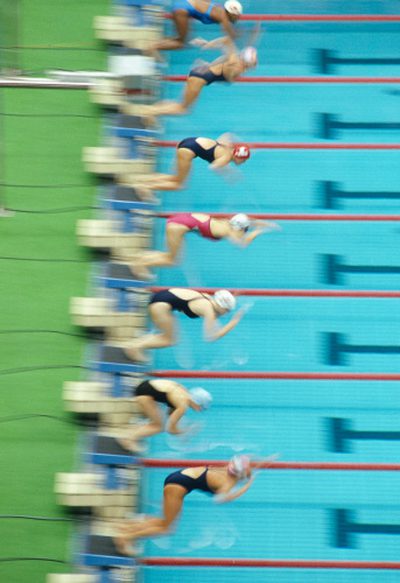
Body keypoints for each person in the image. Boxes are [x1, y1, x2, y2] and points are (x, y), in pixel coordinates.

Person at [114, 454, 255, 554]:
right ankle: (126, 538)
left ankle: (128, 528)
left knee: (164, 522)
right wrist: (248, 485)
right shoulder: (226, 483)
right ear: (240, 475)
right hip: (178, 486)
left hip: (177, 478)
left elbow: (243, 461)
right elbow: (222, 499)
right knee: (167, 528)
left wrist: (251, 468)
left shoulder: (225, 469)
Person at [120, 46, 258, 118]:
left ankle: (153, 110)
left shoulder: (233, 58)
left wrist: (209, 64)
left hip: (198, 71)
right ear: (248, 61)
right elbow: (230, 78)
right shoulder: (237, 68)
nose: (255, 64)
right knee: (183, 109)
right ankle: (148, 112)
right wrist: (239, 73)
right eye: (254, 61)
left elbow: (224, 47)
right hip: (199, 79)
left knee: (180, 104)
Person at [129, 213, 280, 277]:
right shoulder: (229, 231)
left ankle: (140, 259)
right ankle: (140, 262)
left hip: (180, 220)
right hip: (177, 226)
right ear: (238, 228)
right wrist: (259, 231)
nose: (244, 232)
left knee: (171, 256)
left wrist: (266, 224)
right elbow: (243, 244)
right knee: (173, 260)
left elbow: (249, 220)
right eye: (244, 230)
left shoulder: (228, 222)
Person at [123, 287, 245, 362]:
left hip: (160, 298)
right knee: (169, 340)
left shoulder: (208, 299)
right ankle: (134, 347)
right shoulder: (208, 310)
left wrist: (232, 298)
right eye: (227, 311)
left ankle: (134, 344)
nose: (226, 314)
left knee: (166, 335)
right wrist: (232, 323)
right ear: (223, 308)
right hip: (161, 305)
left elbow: (216, 318)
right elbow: (210, 337)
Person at [117, 379, 212, 452]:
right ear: (197, 403)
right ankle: (128, 439)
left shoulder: (184, 392)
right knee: (158, 427)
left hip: (145, 386)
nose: (199, 410)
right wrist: (186, 432)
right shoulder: (183, 405)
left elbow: (169, 415)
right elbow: (170, 429)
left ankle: (132, 432)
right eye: (201, 408)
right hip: (145, 394)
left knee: (158, 417)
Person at [132, 135, 251, 192]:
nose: (244, 162)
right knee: (179, 185)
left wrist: (239, 140)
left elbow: (227, 135)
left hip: (187, 141)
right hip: (188, 151)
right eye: (243, 160)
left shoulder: (228, 146)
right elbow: (213, 167)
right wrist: (228, 172)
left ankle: (142, 180)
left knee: (175, 178)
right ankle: (145, 187)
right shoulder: (225, 158)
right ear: (237, 157)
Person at [152, 0, 243, 52]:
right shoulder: (223, 16)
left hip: (182, 6)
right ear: (231, 13)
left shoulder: (219, 9)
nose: (238, 18)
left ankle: (155, 44)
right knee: (180, 44)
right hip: (182, 10)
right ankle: (152, 47)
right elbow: (231, 36)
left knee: (178, 40)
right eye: (237, 15)